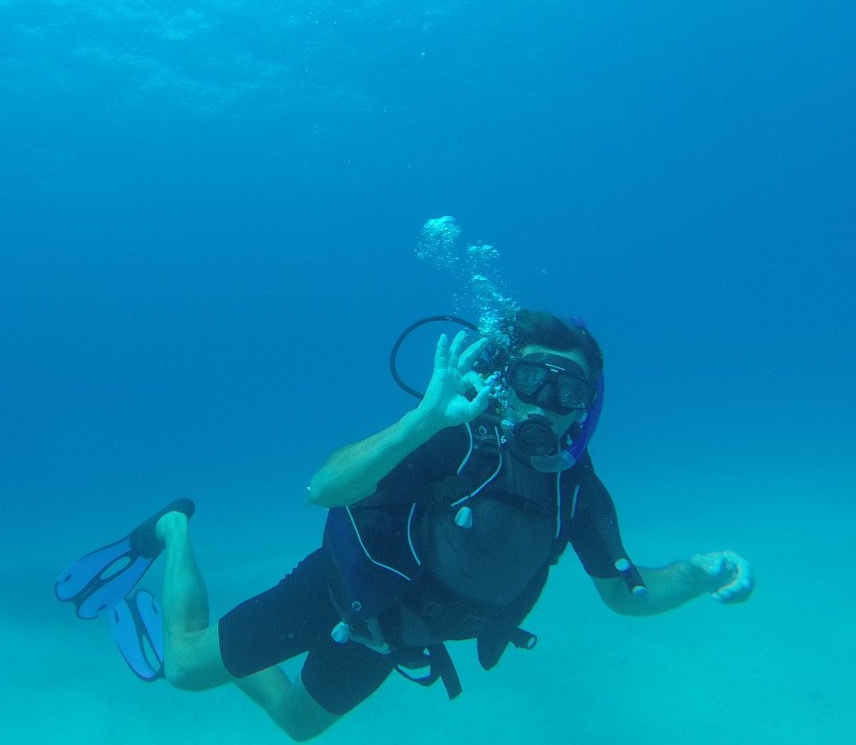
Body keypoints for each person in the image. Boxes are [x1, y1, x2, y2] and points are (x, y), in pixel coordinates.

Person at [57, 310, 754, 741]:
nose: (547, 400)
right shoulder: (452, 437)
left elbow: (628, 594)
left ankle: (237, 647)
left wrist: (697, 573)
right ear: (505, 378)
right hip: (341, 593)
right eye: (534, 378)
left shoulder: (575, 488)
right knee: (182, 669)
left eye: (568, 389)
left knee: (299, 725)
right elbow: (322, 488)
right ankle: (175, 529)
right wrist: (422, 420)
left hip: (398, 634)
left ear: (587, 408)